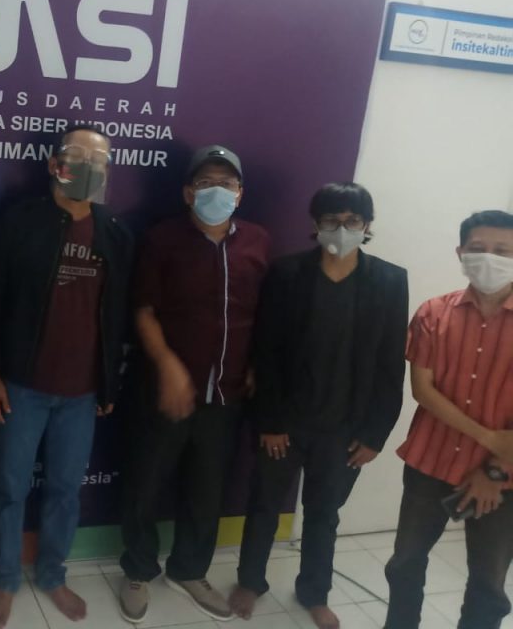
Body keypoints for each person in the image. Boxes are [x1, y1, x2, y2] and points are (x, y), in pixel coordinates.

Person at [230, 182, 408, 629]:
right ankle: (250, 581)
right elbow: (265, 352)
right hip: (285, 423)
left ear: (367, 225)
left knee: (324, 516)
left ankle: (314, 593)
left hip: (344, 430)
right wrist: (270, 421)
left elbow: (390, 365)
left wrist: (375, 435)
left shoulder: (390, 281)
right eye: (332, 219)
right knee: (264, 505)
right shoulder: (286, 274)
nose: (342, 229)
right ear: (316, 223)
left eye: (352, 221)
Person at [0, 126, 134, 629]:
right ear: (54, 164)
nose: (90, 165)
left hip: (81, 393)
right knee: (11, 488)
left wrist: (109, 383)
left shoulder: (115, 231)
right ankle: (5, 579)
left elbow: (117, 316)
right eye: (78, 155)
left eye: (100, 159)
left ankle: (52, 574)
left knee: (66, 490)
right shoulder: (18, 221)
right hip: (22, 387)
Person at [118, 146, 270, 623]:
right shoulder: (162, 239)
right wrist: (167, 366)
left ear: (240, 193)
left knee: (207, 491)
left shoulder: (258, 242)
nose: (217, 191)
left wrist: (258, 364)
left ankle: (189, 570)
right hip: (166, 392)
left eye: (227, 183)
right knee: (144, 485)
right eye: (206, 183)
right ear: (188, 192)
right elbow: (143, 310)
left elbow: (267, 313)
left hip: (227, 394)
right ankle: (138, 570)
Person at [384, 210, 513, 629]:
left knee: (488, 584)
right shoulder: (433, 314)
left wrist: (494, 469)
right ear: (461, 253)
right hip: (430, 462)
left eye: (503, 250)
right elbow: (423, 390)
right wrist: (489, 437)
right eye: (478, 249)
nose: (489, 258)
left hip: (502, 478)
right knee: (404, 563)